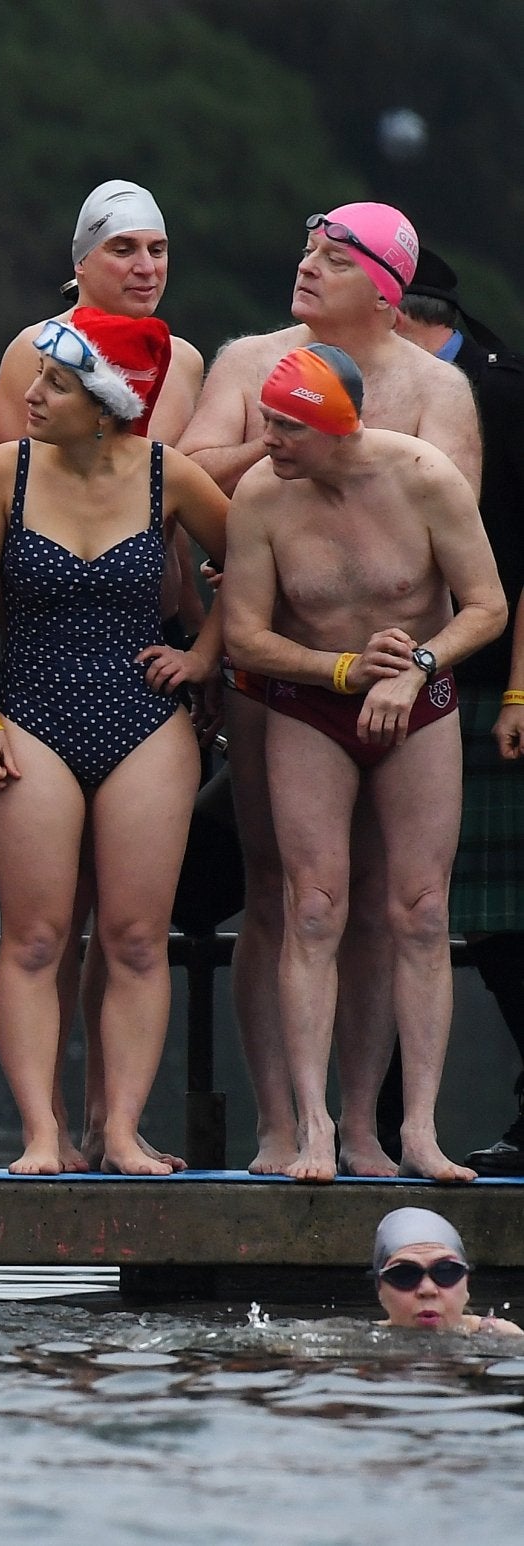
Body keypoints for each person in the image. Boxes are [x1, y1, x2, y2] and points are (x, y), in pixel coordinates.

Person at [180, 203, 483, 1175]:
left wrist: (346, 444)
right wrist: (302, 438)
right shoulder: (248, 365)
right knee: (287, 896)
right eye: (306, 249)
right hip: (280, 676)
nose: (306, 266)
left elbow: (453, 555)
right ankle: (284, 1121)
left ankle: (370, 1126)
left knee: (404, 906)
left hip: (406, 681)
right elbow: (184, 481)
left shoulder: (437, 396)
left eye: (333, 256)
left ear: (386, 289)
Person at [0, 310, 232, 1175]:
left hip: (143, 716)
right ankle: (43, 1132)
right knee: (35, 938)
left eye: (57, 385)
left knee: (136, 939)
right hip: (30, 709)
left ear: (107, 405)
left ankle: (118, 1131)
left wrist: (204, 656)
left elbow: (252, 565)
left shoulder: (167, 475)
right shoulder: (7, 471)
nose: (31, 395)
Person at [223, 344, 504, 1183]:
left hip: (419, 704)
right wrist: (342, 670)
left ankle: (407, 1130)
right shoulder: (262, 497)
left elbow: (486, 605)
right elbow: (243, 634)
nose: (265, 437)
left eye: (284, 425)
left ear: (335, 429)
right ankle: (314, 1128)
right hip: (310, 703)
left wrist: (415, 666)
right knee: (313, 907)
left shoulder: (423, 478)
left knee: (418, 910)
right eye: (266, 419)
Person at [401, 251, 524, 1175]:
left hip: (498, 672)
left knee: (500, 910)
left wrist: (519, 688)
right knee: (411, 903)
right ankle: (377, 1121)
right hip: (388, 663)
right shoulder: (364, 388)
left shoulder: (504, 391)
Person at [0, 182, 207, 443]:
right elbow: (8, 475)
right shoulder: (36, 347)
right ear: (81, 261)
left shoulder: (184, 361)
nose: (147, 267)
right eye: (123, 250)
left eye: (157, 250)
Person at [370, 1207, 520, 1334]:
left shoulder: (502, 1336)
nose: (428, 1289)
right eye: (405, 1274)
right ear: (380, 1290)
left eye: (446, 1271)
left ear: (466, 1284)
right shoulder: (363, 1344)